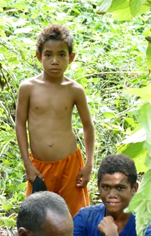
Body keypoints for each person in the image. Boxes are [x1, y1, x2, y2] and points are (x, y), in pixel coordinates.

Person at [15, 24, 95, 218]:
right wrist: (27, 163)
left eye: (61, 55)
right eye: (48, 55)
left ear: (71, 57)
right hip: (40, 166)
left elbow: (88, 126)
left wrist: (89, 163)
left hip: (70, 163)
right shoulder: (28, 88)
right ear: (39, 57)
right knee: (39, 216)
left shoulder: (74, 89)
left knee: (74, 216)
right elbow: (20, 124)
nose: (55, 61)